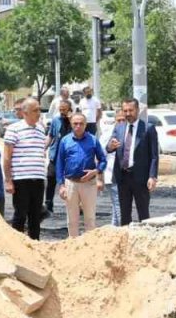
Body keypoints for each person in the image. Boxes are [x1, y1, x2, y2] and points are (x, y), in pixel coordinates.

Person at [108, 98, 159, 226]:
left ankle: (145, 239)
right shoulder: (119, 128)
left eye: (131, 110)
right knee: (124, 214)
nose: (128, 113)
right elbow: (108, 148)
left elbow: (154, 156)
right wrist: (111, 146)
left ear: (137, 110)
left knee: (143, 213)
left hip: (140, 178)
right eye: (125, 111)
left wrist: (152, 176)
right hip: (122, 177)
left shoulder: (148, 129)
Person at [3, 97, 49, 239]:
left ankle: (35, 244)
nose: (39, 113)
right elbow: (6, 157)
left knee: (36, 215)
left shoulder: (41, 129)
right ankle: (17, 245)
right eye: (35, 110)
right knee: (20, 214)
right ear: (25, 112)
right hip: (21, 179)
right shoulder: (13, 129)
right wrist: (8, 180)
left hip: (38, 179)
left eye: (39, 109)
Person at [55, 112, 106, 238]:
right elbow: (59, 164)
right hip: (70, 183)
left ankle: (89, 246)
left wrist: (96, 171)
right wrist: (61, 185)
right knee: (72, 219)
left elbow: (103, 160)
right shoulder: (65, 141)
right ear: (71, 124)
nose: (78, 126)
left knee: (89, 218)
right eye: (75, 123)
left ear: (86, 125)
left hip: (89, 184)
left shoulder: (93, 140)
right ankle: (73, 245)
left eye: (81, 124)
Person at [45, 99, 74, 215]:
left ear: (69, 109)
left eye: (64, 110)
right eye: (60, 109)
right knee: (50, 179)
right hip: (55, 155)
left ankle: (74, 205)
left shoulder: (74, 121)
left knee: (70, 182)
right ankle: (48, 205)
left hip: (68, 157)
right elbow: (50, 136)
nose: (62, 112)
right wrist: (44, 147)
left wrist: (71, 119)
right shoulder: (55, 120)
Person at [99, 108, 123, 226]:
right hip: (111, 175)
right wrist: (110, 147)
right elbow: (99, 153)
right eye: (119, 120)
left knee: (116, 206)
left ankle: (114, 231)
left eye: (124, 120)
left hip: (125, 175)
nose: (121, 123)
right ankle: (123, 230)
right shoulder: (108, 133)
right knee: (119, 205)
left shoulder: (128, 132)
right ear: (115, 119)